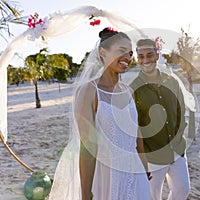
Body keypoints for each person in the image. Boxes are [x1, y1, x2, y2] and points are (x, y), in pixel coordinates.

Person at [49, 27, 150, 200]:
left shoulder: (128, 91)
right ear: (103, 52)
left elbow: (136, 131)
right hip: (107, 175)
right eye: (121, 51)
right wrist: (85, 194)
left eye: (130, 53)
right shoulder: (88, 91)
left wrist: (144, 166)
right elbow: (88, 147)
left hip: (136, 172)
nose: (128, 57)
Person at [130, 38, 190, 200]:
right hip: (152, 155)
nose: (145, 60)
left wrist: (178, 140)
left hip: (177, 150)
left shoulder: (172, 82)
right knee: (152, 196)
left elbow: (181, 111)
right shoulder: (134, 89)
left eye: (149, 55)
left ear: (157, 55)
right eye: (141, 57)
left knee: (183, 189)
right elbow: (135, 126)